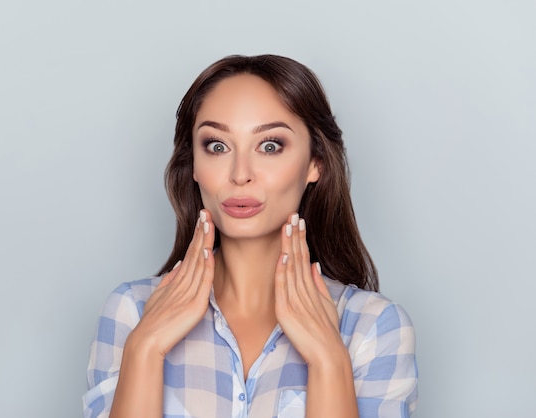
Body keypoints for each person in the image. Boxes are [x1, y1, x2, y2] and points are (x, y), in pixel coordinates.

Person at [83, 54, 418, 418]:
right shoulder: (132, 312)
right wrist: (145, 350)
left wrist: (328, 360)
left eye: (270, 146)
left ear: (315, 164)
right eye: (217, 146)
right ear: (193, 164)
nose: (240, 174)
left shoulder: (373, 327)